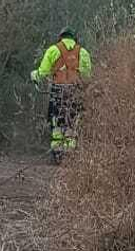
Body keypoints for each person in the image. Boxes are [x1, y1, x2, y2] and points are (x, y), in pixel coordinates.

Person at [31, 26, 93, 160]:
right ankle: (70, 154)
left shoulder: (53, 50)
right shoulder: (83, 53)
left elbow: (43, 72)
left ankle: (58, 154)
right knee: (72, 122)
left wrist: (34, 75)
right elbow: (87, 76)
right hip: (75, 92)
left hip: (57, 92)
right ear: (74, 38)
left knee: (57, 122)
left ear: (61, 37)